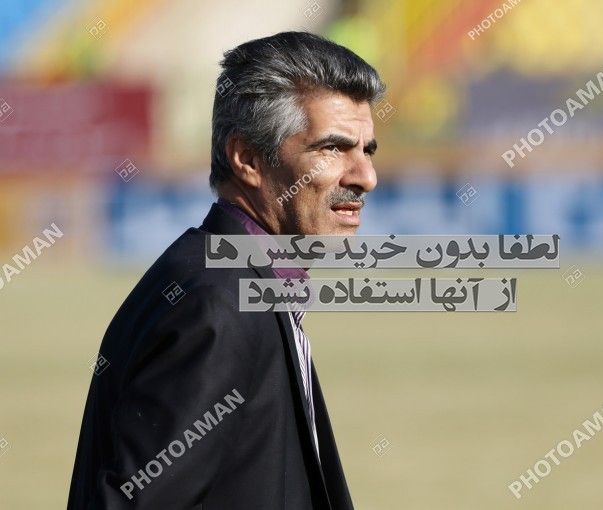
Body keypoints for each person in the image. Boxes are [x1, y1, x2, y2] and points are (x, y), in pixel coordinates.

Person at [68, 31, 384, 509]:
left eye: (367, 151)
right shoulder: (216, 304)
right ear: (248, 159)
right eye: (333, 148)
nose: (365, 177)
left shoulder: (233, 281)